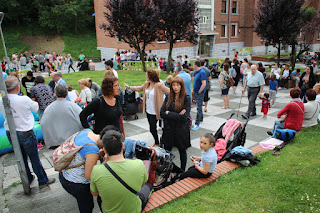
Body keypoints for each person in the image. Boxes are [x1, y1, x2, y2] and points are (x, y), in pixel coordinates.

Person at [0, 76, 55, 188]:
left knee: (21, 157)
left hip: (10, 132)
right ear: (17, 87)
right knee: (34, 157)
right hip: (25, 131)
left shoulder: (2, 100)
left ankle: (28, 178)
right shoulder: (23, 99)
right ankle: (42, 179)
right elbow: (35, 108)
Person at [90, 130, 152, 213]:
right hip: (134, 209)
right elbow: (142, 184)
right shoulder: (139, 164)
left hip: (108, 211)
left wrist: (105, 161)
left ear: (104, 150)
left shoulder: (96, 170)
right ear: (123, 146)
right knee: (148, 186)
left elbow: (94, 193)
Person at [59, 127, 109, 213]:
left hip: (64, 174)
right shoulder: (92, 150)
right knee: (87, 206)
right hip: (76, 183)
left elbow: (83, 154)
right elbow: (89, 176)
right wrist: (105, 163)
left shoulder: (87, 132)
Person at [123, 69, 170, 146]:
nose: (146, 76)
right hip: (149, 110)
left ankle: (160, 142)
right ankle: (157, 142)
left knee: (163, 127)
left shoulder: (159, 85)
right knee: (152, 128)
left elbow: (170, 91)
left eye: (147, 75)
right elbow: (139, 88)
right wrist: (129, 87)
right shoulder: (147, 84)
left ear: (150, 76)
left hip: (157, 111)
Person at [160, 76, 191, 171]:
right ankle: (168, 170)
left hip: (181, 130)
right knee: (167, 150)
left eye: (177, 85)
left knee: (182, 150)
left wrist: (169, 113)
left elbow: (184, 117)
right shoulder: (169, 97)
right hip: (169, 129)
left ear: (181, 86)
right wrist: (177, 115)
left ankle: (182, 170)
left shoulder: (186, 98)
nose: (175, 87)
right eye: (173, 85)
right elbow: (161, 113)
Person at [41, 84, 83, 149]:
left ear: (55, 93)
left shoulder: (49, 109)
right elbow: (82, 119)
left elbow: (43, 123)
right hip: (72, 141)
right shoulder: (73, 107)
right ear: (67, 93)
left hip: (56, 143)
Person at [192, 61, 206, 130]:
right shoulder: (197, 72)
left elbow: (204, 84)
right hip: (196, 92)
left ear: (196, 65)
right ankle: (200, 119)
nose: (193, 66)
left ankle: (197, 123)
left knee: (199, 108)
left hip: (199, 93)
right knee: (199, 106)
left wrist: (199, 92)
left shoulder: (202, 72)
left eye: (193, 65)